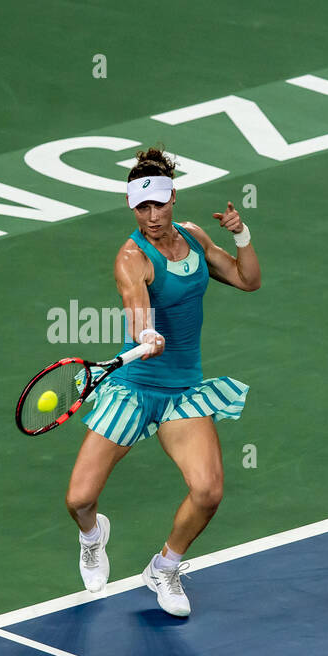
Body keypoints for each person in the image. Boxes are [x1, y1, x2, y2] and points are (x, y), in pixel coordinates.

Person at [65, 146, 261, 616]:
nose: (151, 216)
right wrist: (146, 332)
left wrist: (242, 235)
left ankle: (165, 567)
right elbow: (137, 310)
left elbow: (247, 280)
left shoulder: (194, 238)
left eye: (158, 204)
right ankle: (93, 537)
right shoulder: (131, 257)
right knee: (79, 498)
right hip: (135, 388)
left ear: (173, 197)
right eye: (141, 207)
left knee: (209, 491)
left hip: (182, 392)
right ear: (132, 206)